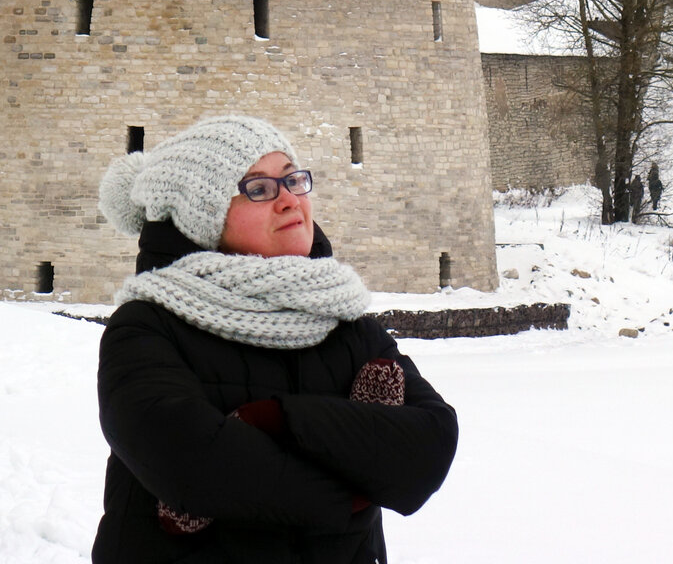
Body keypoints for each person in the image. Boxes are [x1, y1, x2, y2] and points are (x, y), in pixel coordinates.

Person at [92, 114, 458, 563]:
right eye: (259, 189)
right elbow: (188, 463)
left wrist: (274, 420)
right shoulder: (147, 325)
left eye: (293, 180)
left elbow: (430, 446)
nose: (288, 200)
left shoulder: (345, 320)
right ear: (203, 216)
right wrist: (355, 491)